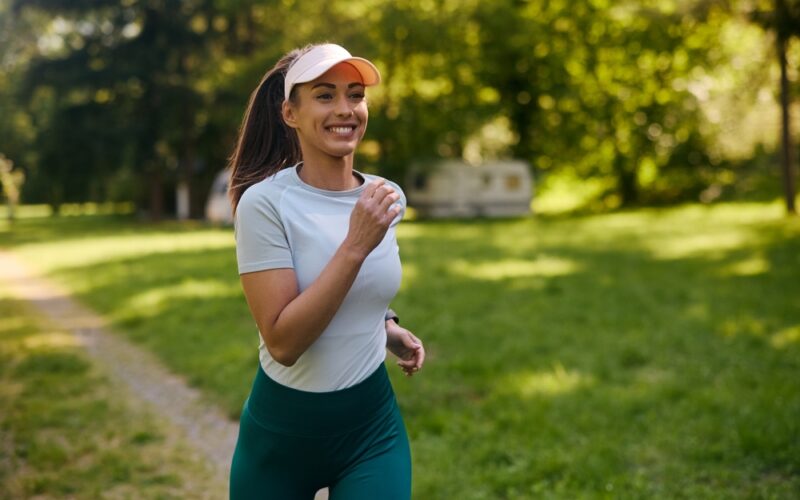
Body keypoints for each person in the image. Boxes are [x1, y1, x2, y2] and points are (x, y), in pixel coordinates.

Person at [227, 43, 425, 500]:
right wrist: (355, 244)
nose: (345, 109)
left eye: (355, 95)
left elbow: (364, 287)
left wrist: (386, 325)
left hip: (371, 429)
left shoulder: (385, 197)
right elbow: (284, 343)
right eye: (324, 95)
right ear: (290, 113)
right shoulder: (266, 204)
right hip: (282, 438)